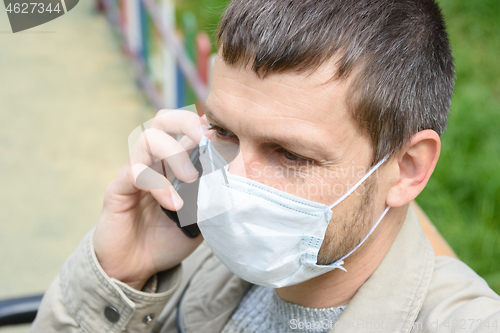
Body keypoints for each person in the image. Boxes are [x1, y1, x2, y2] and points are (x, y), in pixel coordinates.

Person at [31, 0, 500, 332]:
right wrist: (119, 277)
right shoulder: (191, 255)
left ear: (407, 169)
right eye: (224, 132)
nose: (231, 184)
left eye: (291, 155)